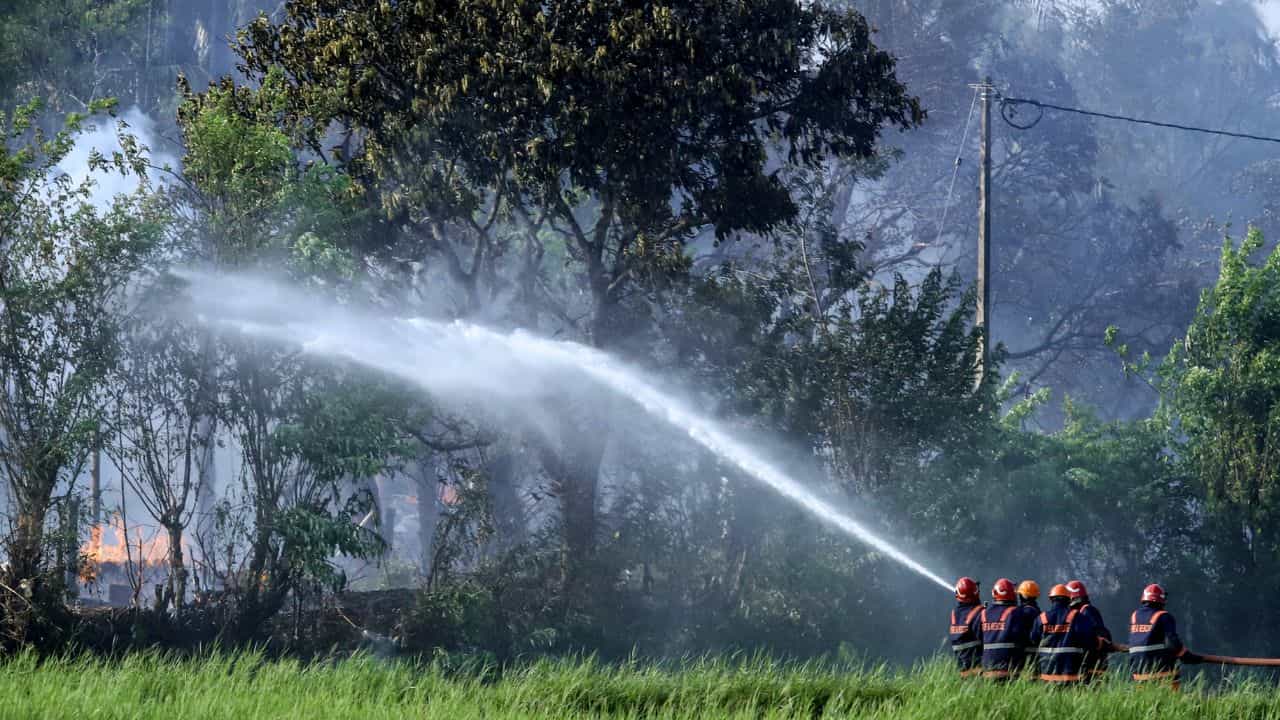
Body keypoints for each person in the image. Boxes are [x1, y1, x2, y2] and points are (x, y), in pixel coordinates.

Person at [1128, 583, 1201, 690]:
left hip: (1138, 673)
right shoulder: (1164, 616)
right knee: (1171, 699)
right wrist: (1188, 657)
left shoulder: (1134, 615)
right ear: (1161, 600)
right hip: (1161, 672)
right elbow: (1173, 643)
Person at [1030, 583, 1105, 685]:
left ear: (1051, 599)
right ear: (1068, 599)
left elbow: (1034, 639)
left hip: (1047, 677)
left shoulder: (1041, 618)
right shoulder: (1077, 617)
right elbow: (1089, 640)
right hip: (1071, 677)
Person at [980, 578, 1032, 680]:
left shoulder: (983, 613)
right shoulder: (1016, 612)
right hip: (1009, 670)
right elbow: (1024, 636)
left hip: (987, 670)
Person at [1065, 579, 1113, 682]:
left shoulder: (1087, 611)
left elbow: (1102, 636)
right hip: (1088, 667)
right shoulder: (1082, 612)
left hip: (1093, 668)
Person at [949, 577, 984, 677]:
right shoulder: (979, 612)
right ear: (975, 593)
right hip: (979, 669)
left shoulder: (954, 614)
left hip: (962, 671)